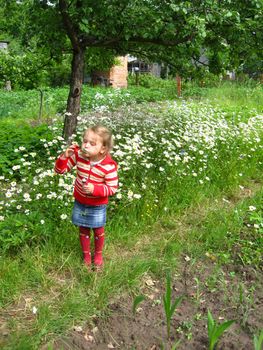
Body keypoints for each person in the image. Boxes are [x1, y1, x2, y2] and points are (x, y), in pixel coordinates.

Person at [54, 125, 118, 270]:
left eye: (92, 143)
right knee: (83, 228)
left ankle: (98, 254)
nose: (86, 145)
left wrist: (95, 189)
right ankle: (86, 255)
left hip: (97, 205)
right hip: (81, 201)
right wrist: (64, 157)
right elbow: (60, 170)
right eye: (84, 141)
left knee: (97, 229)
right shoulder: (79, 156)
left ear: (103, 149)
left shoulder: (109, 166)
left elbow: (112, 188)